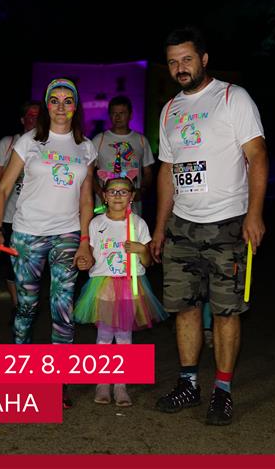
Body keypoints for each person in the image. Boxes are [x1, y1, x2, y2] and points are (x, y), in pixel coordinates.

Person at [150, 27, 269, 426]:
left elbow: (258, 156)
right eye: (172, 62)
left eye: (186, 59)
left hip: (227, 224)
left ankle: (222, 390)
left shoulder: (234, 98)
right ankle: (188, 383)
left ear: (203, 59)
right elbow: (167, 171)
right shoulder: (170, 110)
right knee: (183, 308)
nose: (180, 68)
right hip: (182, 226)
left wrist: (254, 214)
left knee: (225, 310)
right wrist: (160, 226)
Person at [0, 78, 96, 408]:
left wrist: (85, 241)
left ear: (75, 107)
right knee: (27, 307)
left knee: (63, 310)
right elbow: (3, 188)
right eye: (54, 100)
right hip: (28, 234)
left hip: (67, 234)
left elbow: (86, 199)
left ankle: (57, 383)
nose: (61, 106)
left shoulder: (86, 147)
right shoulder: (29, 141)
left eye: (67, 100)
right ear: (47, 106)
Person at [73, 174, 168, 407]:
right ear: (104, 196)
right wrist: (84, 262)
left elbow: (147, 262)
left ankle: (121, 385)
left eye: (123, 191)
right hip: (103, 285)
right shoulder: (96, 223)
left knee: (125, 337)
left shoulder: (138, 223)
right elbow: (90, 257)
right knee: (104, 336)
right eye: (112, 191)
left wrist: (141, 250)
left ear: (131, 197)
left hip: (129, 285)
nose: (117, 195)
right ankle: (102, 383)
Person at [0, 101, 41, 315]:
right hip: (9, 216)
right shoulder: (8, 143)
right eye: (30, 116)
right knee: (13, 264)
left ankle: (28, 302)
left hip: (38, 219)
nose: (34, 120)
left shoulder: (48, 145)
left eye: (38, 116)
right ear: (22, 120)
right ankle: (18, 307)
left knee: (33, 266)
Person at [92, 96, 155, 216]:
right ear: (109, 115)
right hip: (104, 210)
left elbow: (148, 173)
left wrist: (142, 190)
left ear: (130, 115)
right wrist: (101, 193)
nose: (117, 117)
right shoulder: (98, 140)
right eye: (114, 113)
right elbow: (88, 174)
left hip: (133, 211)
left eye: (122, 113)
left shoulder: (141, 140)